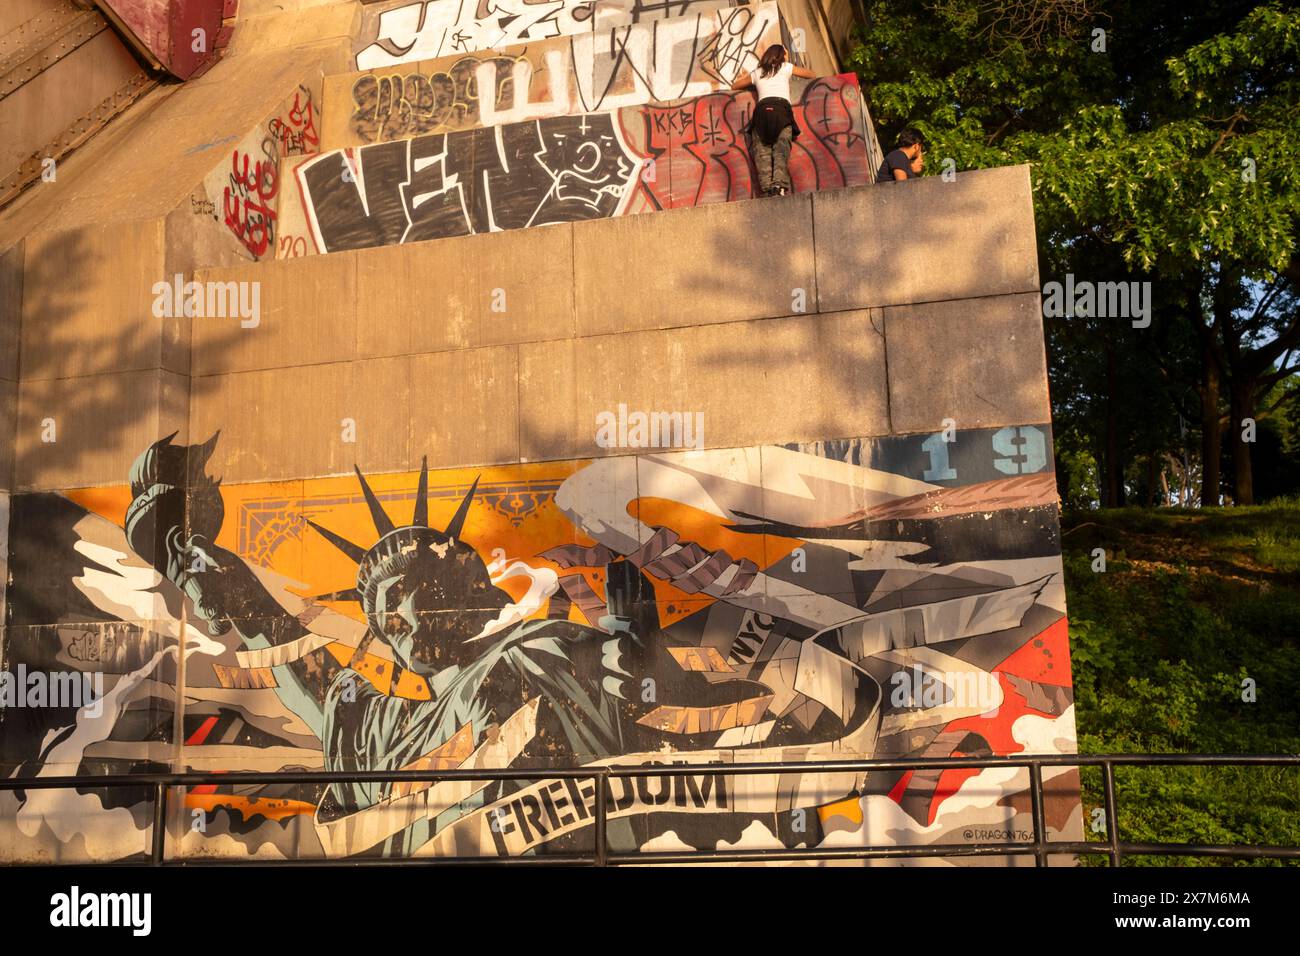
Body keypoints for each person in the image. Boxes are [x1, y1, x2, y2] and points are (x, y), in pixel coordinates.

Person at [731, 45, 816, 197]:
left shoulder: (758, 72)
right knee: (781, 150)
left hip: (762, 112)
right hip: (781, 111)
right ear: (782, 56)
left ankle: (767, 190)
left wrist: (743, 77)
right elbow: (811, 74)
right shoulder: (785, 67)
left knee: (762, 152)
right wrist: (788, 61)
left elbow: (735, 86)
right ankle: (779, 186)